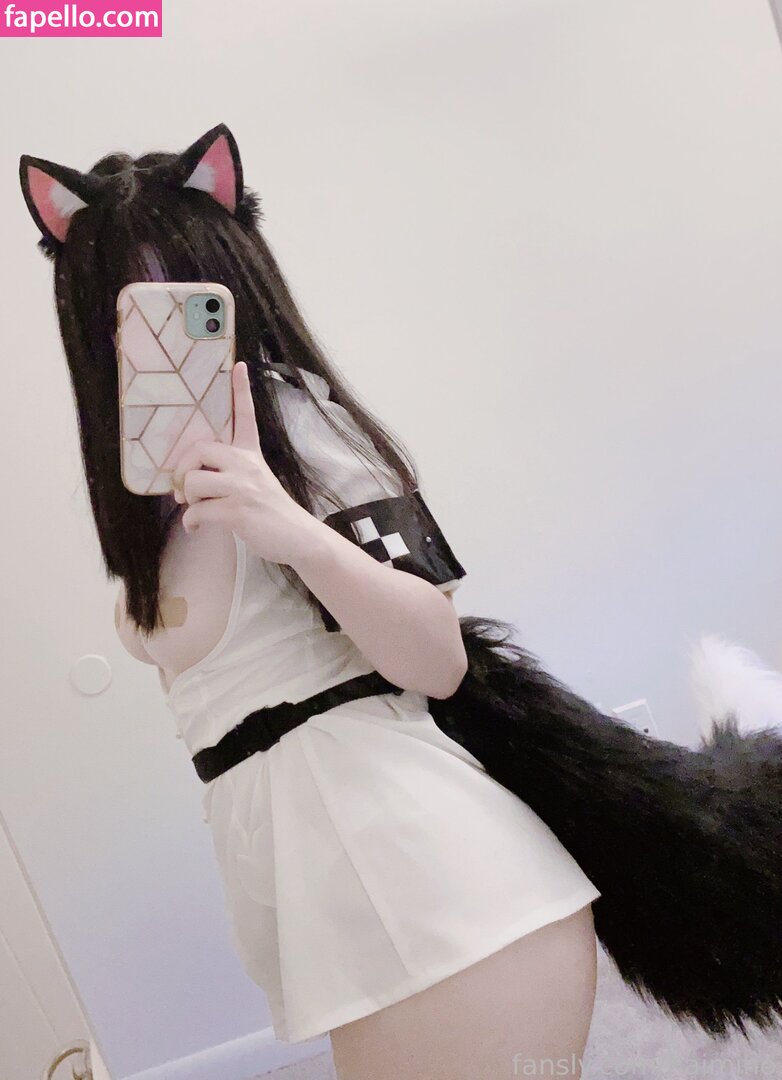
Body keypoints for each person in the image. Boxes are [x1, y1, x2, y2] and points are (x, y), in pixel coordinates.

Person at [20, 123, 782, 1076]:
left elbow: (437, 656)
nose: (155, 335)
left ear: (231, 286)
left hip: (448, 898)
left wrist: (285, 524)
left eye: (183, 298)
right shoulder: (145, 500)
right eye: (124, 309)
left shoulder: (300, 430)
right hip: (354, 914)